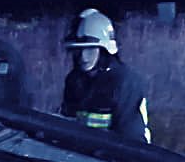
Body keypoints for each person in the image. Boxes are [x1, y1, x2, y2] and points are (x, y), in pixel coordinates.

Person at [57, 9, 150, 143]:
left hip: (114, 160)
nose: (83, 57)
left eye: (90, 49)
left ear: (104, 50)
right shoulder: (74, 81)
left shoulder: (124, 82)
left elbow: (132, 142)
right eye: (78, 50)